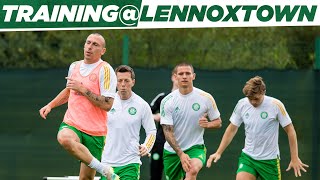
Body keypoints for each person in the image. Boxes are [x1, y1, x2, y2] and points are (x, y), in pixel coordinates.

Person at [39, 33, 119, 180]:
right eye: (88, 42)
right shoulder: (74, 66)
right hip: (73, 123)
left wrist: (82, 89)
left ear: (103, 51)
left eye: (95, 44)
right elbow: (69, 90)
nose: (90, 47)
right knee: (64, 138)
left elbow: (108, 104)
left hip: (96, 131)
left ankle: (102, 169)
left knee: (86, 178)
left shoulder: (105, 70)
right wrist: (50, 105)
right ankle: (103, 169)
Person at [206, 76, 309, 180]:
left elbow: (290, 130)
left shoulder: (276, 105)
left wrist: (294, 158)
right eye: (250, 99)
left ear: (264, 92)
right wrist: (218, 152)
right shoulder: (242, 104)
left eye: (256, 99)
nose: (253, 102)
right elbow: (232, 129)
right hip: (248, 158)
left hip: (269, 161)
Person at [160, 62, 222, 180]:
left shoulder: (206, 98)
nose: (184, 76)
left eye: (187, 73)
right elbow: (167, 131)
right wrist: (180, 154)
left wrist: (208, 124)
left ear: (193, 76)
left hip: (195, 147)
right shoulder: (167, 101)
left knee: (192, 170)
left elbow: (218, 122)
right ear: (175, 77)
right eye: (181, 73)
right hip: (172, 151)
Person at [100, 65, 157, 180]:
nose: (123, 84)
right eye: (119, 80)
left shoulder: (142, 105)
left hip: (130, 163)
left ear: (133, 82)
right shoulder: (106, 103)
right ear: (115, 82)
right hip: (107, 163)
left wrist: (147, 146)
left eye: (126, 80)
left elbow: (151, 131)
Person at [149, 69, 178, 180]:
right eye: (177, 75)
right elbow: (146, 114)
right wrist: (158, 116)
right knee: (155, 176)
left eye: (185, 74)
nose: (180, 78)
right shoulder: (162, 97)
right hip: (160, 144)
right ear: (172, 77)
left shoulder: (188, 100)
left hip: (180, 144)